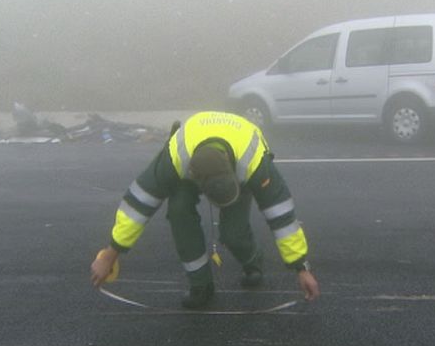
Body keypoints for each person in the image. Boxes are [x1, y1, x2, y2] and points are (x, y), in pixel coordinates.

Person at [90, 111, 320, 308]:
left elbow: (281, 215)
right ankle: (200, 285)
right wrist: (111, 252)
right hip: (193, 162)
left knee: (233, 233)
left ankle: (253, 261)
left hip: (237, 160)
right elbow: (138, 204)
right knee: (179, 210)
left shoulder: (255, 164)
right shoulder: (174, 159)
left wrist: (301, 267)